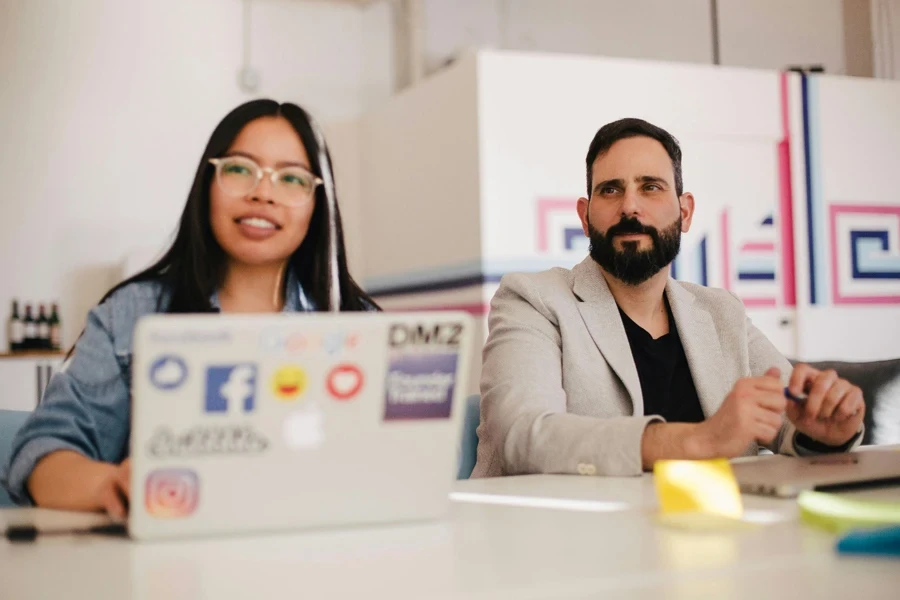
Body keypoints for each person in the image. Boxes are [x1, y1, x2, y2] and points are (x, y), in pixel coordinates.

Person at [1, 99, 377, 514]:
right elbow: (42, 450)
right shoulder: (131, 315)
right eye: (239, 169)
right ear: (207, 186)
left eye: (292, 179)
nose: (262, 193)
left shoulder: (362, 326)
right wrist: (111, 484)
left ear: (317, 204)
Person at [472, 118, 865, 478]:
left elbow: (787, 420)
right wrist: (699, 441)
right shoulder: (533, 300)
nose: (630, 206)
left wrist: (824, 430)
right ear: (585, 215)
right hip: (568, 544)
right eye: (610, 190)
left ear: (685, 211)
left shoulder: (721, 311)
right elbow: (522, 437)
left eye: (651, 187)